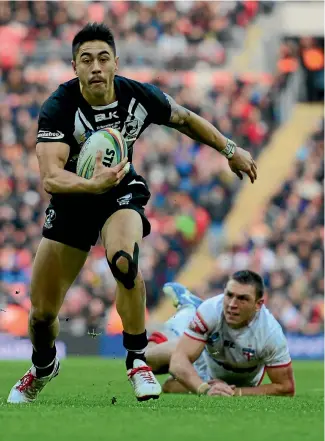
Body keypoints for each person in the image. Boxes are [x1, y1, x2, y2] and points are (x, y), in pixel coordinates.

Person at [7, 23, 257, 404]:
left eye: (103, 58)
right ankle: (43, 367)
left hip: (120, 193)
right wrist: (91, 185)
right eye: (86, 60)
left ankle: (137, 360)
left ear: (115, 63)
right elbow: (51, 178)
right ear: (74, 66)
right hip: (73, 200)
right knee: (41, 314)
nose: (95, 67)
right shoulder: (58, 107)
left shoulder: (137, 96)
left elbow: (186, 119)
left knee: (124, 261)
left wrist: (229, 150)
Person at [146, 271, 295, 397]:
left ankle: (189, 314)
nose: (232, 305)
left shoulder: (270, 333)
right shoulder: (212, 309)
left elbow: (286, 387)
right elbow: (177, 363)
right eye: (229, 295)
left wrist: (238, 392)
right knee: (143, 360)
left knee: (168, 387)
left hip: (238, 380)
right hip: (205, 353)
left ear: (258, 304)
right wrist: (205, 389)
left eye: (242, 298)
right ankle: (187, 311)